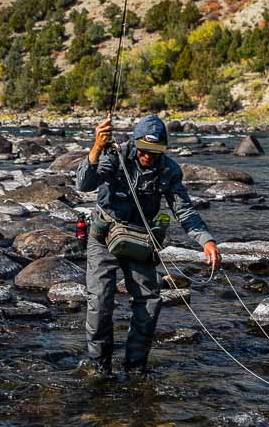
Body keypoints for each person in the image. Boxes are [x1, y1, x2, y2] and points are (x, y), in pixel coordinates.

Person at [75, 115, 221, 375]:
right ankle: (100, 366)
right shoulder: (114, 154)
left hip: (140, 240)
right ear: (134, 143)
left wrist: (206, 240)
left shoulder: (169, 170)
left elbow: (184, 210)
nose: (148, 156)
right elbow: (84, 184)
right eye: (144, 150)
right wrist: (96, 147)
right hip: (104, 237)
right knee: (100, 301)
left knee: (150, 302)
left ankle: (135, 366)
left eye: (155, 152)